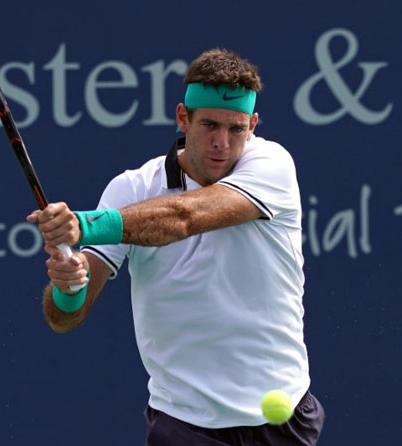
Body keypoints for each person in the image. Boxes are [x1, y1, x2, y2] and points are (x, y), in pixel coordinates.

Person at [27, 48, 325, 446]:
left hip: (282, 416)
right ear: (183, 118)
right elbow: (66, 317)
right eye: (209, 126)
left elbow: (185, 217)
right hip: (184, 424)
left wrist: (84, 225)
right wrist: (68, 287)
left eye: (236, 129)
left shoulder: (272, 165)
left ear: (253, 125)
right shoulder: (131, 188)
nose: (222, 143)